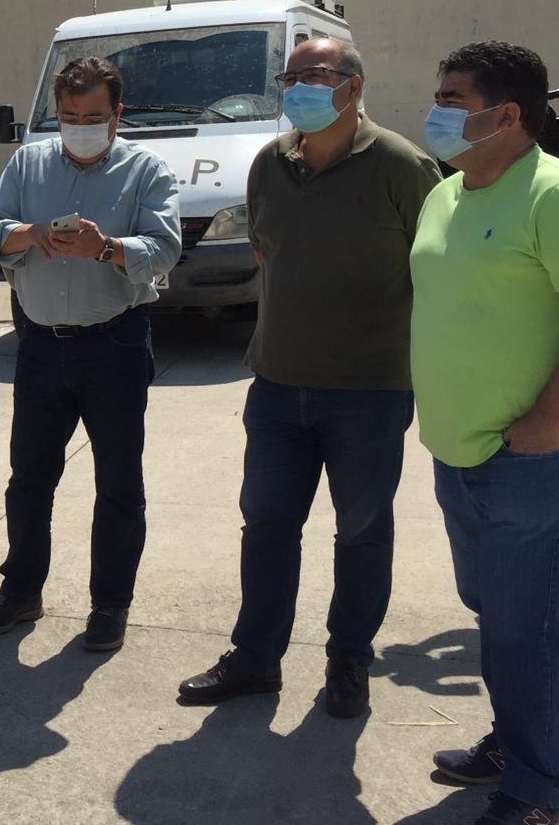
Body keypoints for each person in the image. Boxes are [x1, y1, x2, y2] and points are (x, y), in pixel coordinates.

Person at [178, 39, 441, 717]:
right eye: (288, 78)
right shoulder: (271, 162)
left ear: (353, 87)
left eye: (313, 77)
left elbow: (437, 270)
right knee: (265, 525)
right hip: (276, 384)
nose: (296, 88)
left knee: (360, 531)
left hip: (370, 390)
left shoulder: (404, 166)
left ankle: (349, 661)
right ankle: (257, 660)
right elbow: (267, 248)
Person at [411, 42, 559, 825]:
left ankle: (537, 795)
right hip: (462, 452)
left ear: (507, 114)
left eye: (451, 98)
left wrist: (546, 423)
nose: (435, 112)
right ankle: (512, 741)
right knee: (498, 616)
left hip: (543, 459)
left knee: (531, 630)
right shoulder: (449, 193)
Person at [0, 56, 181, 652]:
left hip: (113, 343)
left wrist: (105, 248)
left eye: (94, 116)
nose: (80, 125)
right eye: (69, 115)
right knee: (29, 479)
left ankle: (110, 604)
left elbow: (164, 249)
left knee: (118, 482)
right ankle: (21, 592)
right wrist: (31, 234)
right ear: (56, 114)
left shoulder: (146, 169)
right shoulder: (28, 162)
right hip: (41, 345)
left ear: (117, 114)